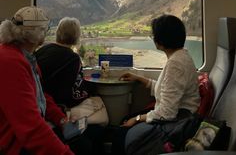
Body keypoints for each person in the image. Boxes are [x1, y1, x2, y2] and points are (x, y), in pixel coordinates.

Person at [112, 14, 200, 155]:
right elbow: (165, 89)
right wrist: (138, 78)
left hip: (176, 121)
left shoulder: (176, 64)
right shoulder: (181, 56)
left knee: (121, 132)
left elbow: (167, 113)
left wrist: (137, 119)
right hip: (176, 115)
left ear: (160, 40)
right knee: (124, 122)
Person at [0, 6, 74, 154]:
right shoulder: (10, 62)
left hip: (21, 136)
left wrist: (60, 119)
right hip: (13, 145)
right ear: (36, 35)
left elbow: (39, 95)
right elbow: (30, 126)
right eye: (44, 30)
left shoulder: (24, 56)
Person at [36, 17, 105, 155]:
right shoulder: (72, 58)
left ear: (58, 33)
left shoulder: (42, 50)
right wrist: (91, 91)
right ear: (76, 37)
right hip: (58, 105)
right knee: (101, 120)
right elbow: (73, 94)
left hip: (43, 101)